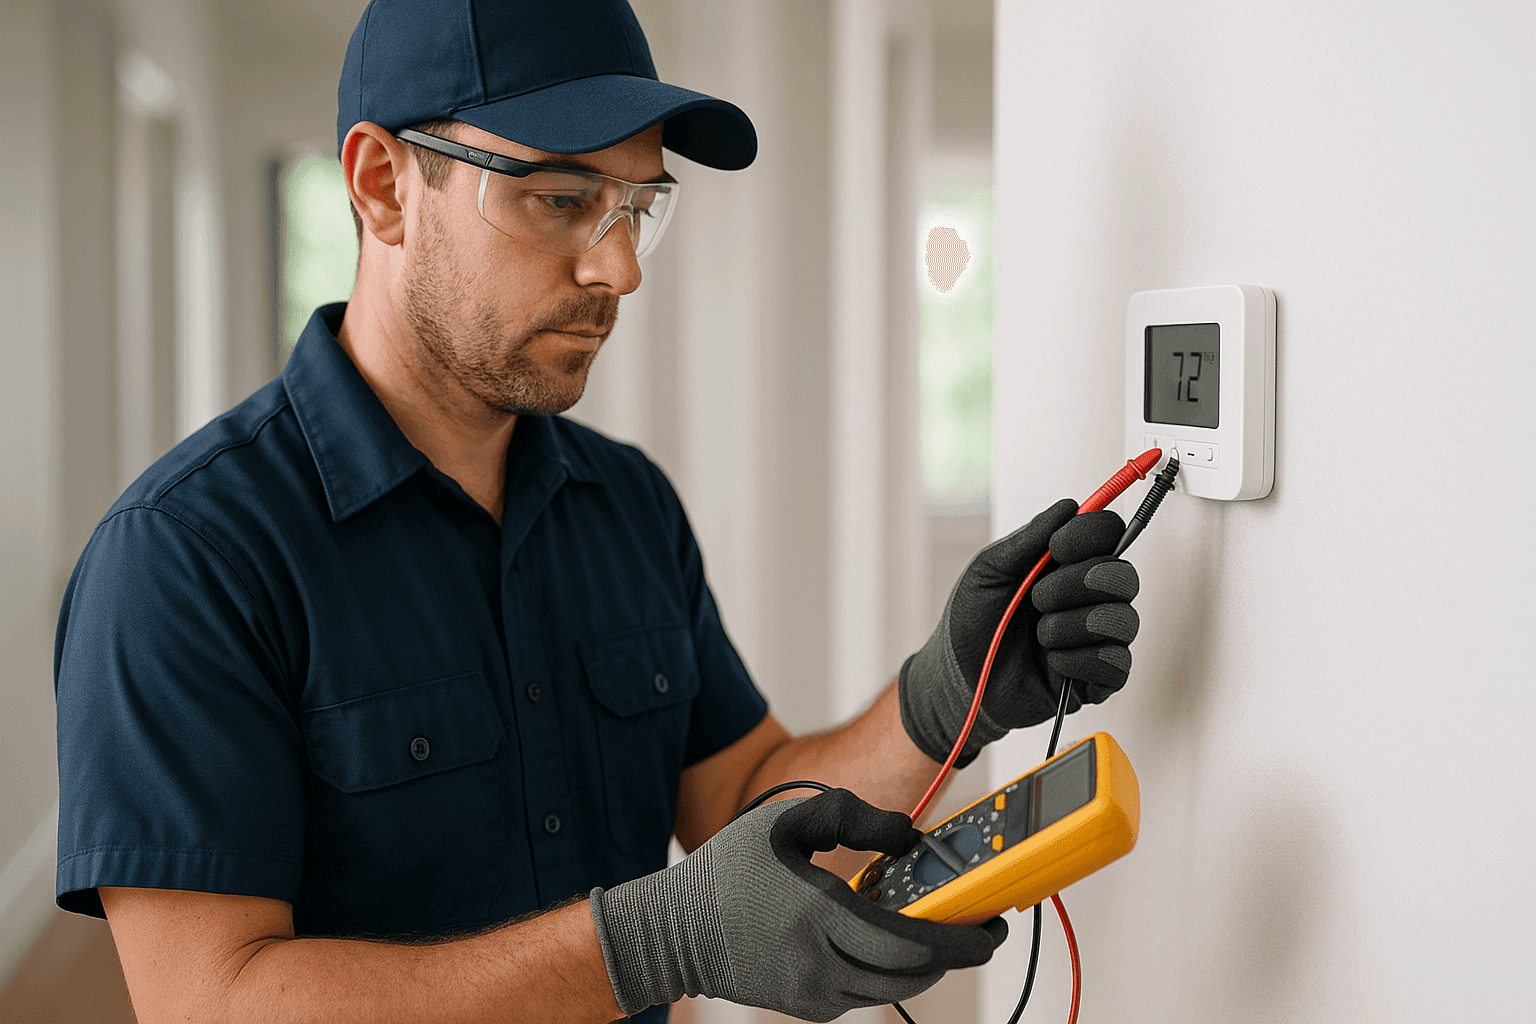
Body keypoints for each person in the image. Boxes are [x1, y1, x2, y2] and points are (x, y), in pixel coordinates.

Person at [52, 1, 1144, 1021]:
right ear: (383, 185)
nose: (618, 266)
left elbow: (745, 803)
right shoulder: (184, 559)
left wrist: (944, 696)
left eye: (639, 207)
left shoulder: (626, 506)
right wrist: (652, 940)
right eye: (563, 200)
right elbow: (212, 1000)